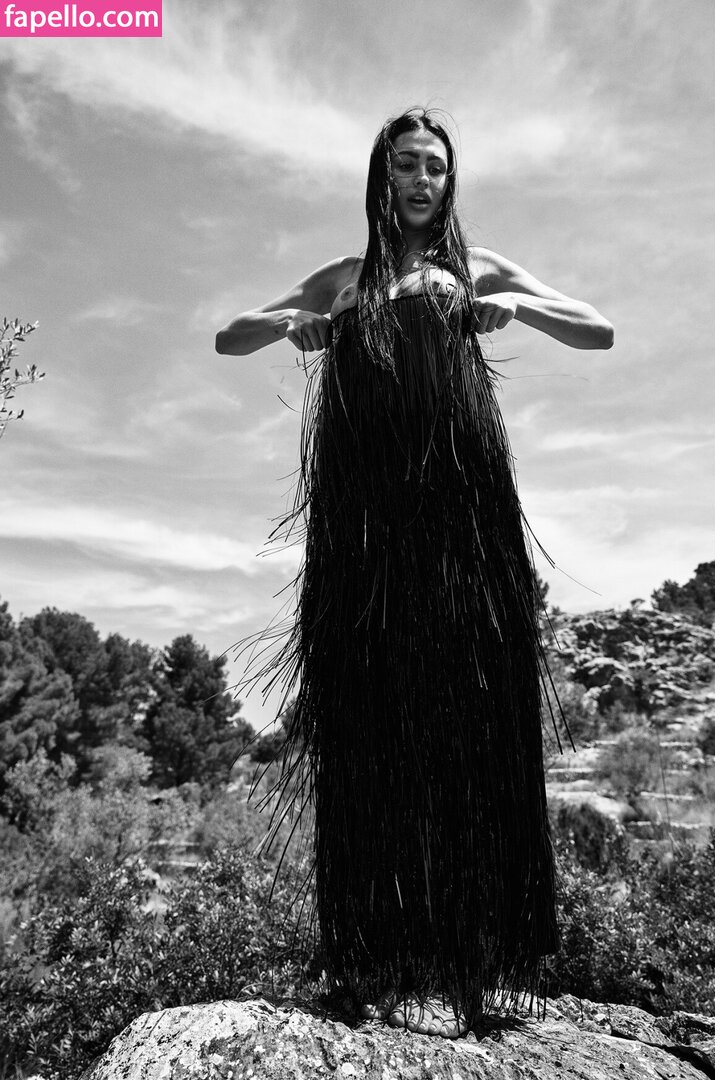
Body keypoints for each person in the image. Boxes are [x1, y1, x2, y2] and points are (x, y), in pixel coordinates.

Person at [217, 109, 613, 1039]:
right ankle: (374, 957)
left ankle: (478, 959)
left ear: (450, 180)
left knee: (474, 723)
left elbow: (598, 331)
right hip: (364, 524)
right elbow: (229, 336)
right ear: (382, 176)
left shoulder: (481, 267)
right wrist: (297, 324)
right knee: (370, 722)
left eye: (436, 166)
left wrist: (518, 310)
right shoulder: (346, 275)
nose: (423, 179)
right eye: (407, 164)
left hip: (465, 514)